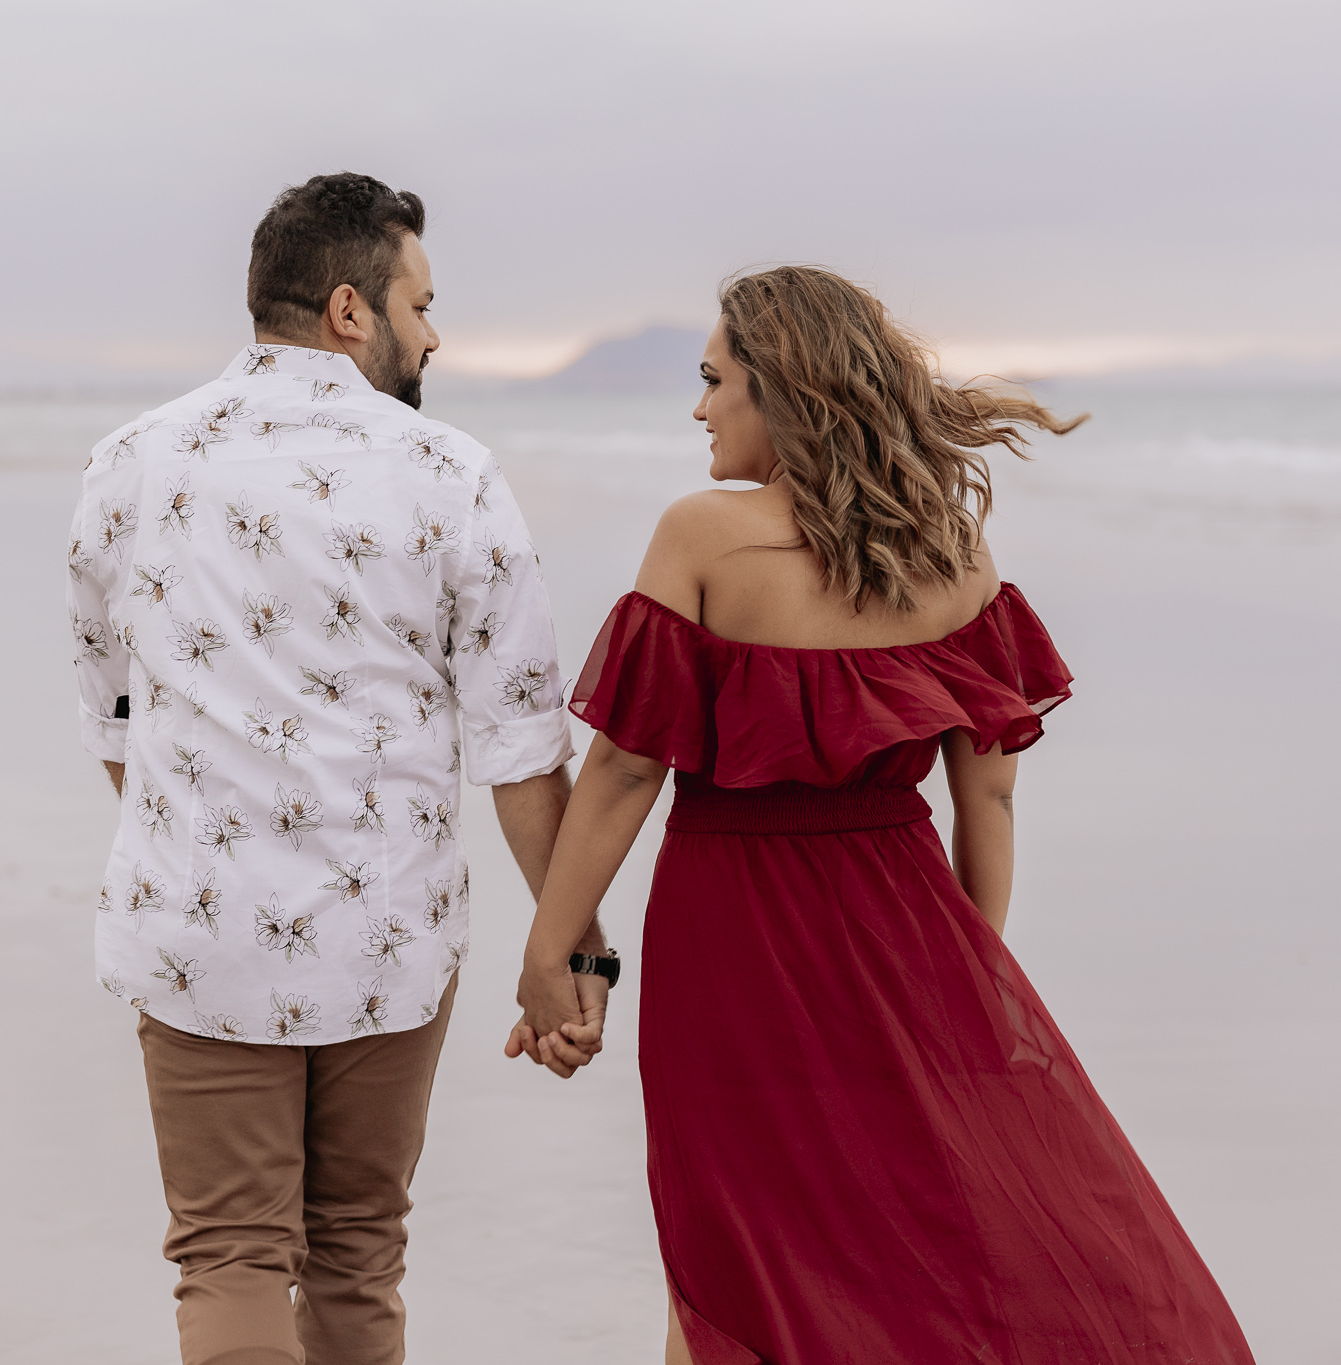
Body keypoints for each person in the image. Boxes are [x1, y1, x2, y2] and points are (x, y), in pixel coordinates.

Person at [506, 267, 1256, 1364]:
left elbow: (624, 771)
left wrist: (549, 947)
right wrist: (966, 985)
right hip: (908, 937)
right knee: (902, 1236)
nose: (698, 407)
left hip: (735, 940)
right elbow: (988, 792)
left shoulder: (701, 538)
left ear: (780, 391)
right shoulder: (950, 552)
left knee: (728, 1243)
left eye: (715, 381)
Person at [66, 171, 608, 1365]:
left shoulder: (127, 464)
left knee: (228, 1253)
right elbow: (521, 749)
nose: (433, 333)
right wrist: (575, 951)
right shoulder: (450, 473)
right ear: (351, 310)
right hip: (389, 936)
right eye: (422, 304)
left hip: (196, 935)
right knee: (359, 1248)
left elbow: (117, 720)